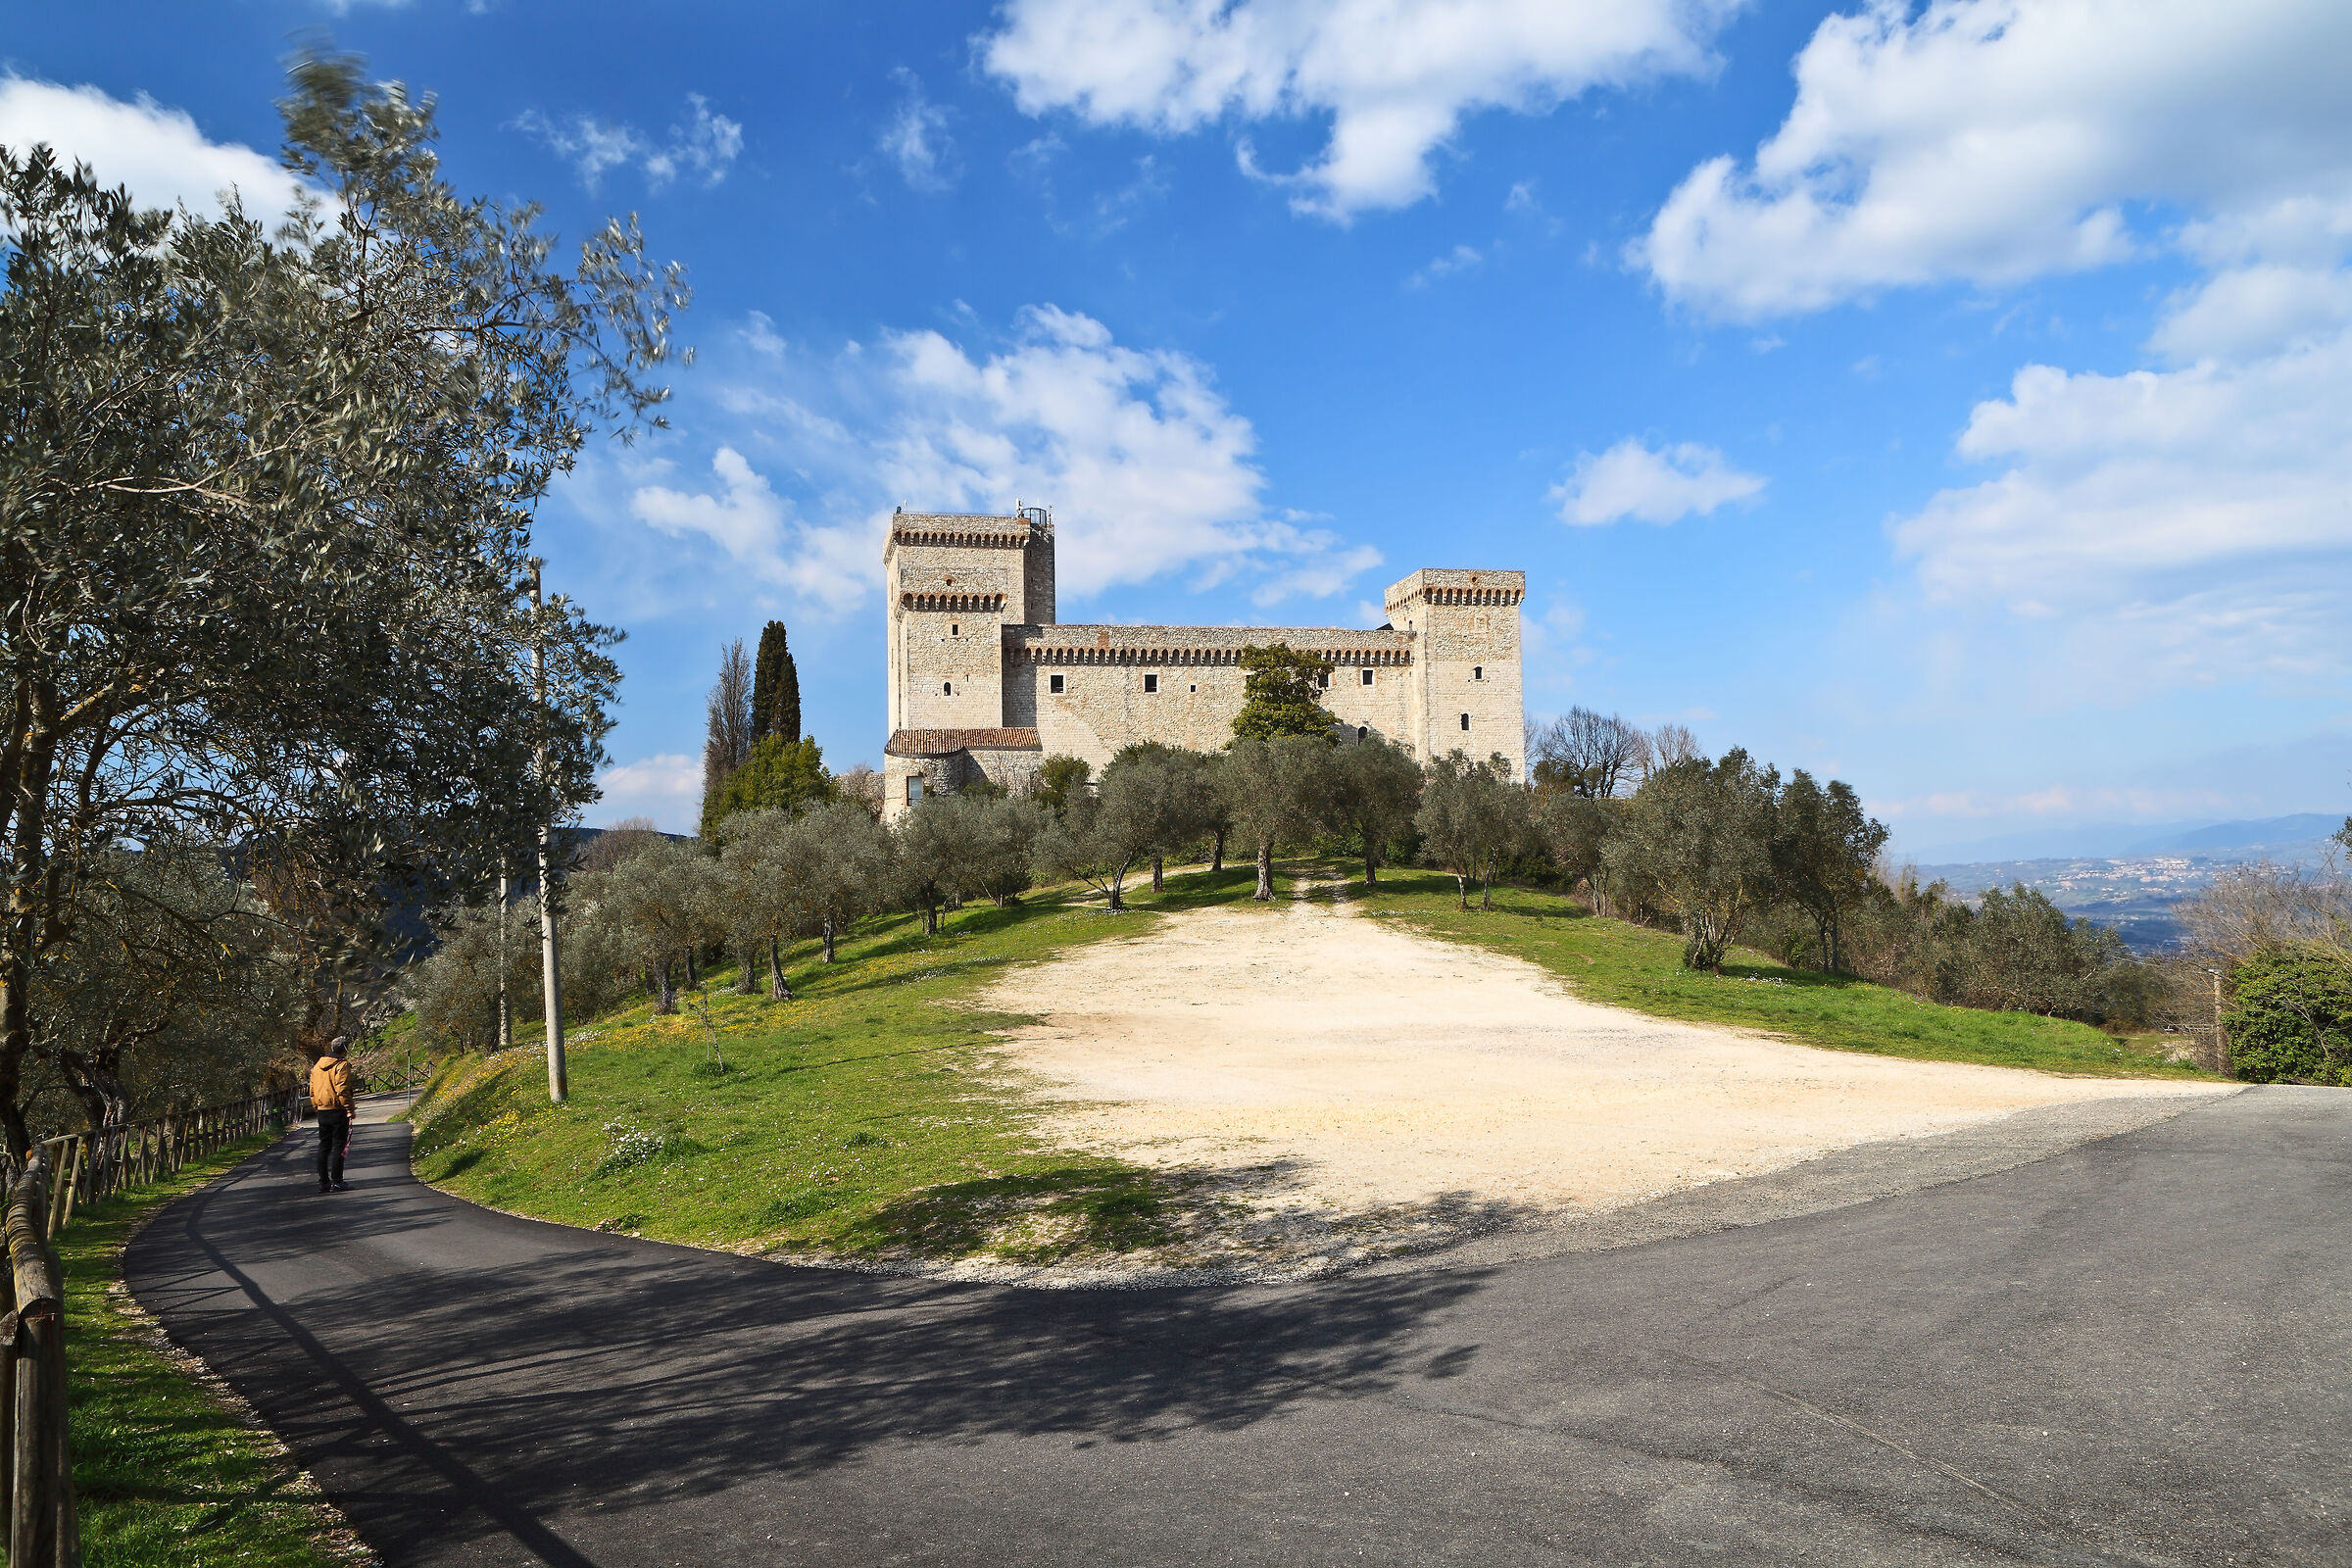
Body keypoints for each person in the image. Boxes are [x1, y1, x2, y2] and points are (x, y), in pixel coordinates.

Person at [309, 1037, 356, 1193]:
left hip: (322, 1109)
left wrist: (317, 1107)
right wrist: (349, 1109)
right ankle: (337, 1180)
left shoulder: (317, 1066)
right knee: (339, 1145)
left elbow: (312, 1090)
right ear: (345, 1049)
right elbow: (342, 1089)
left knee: (324, 1146)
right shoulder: (342, 1065)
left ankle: (323, 1182)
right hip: (337, 1109)